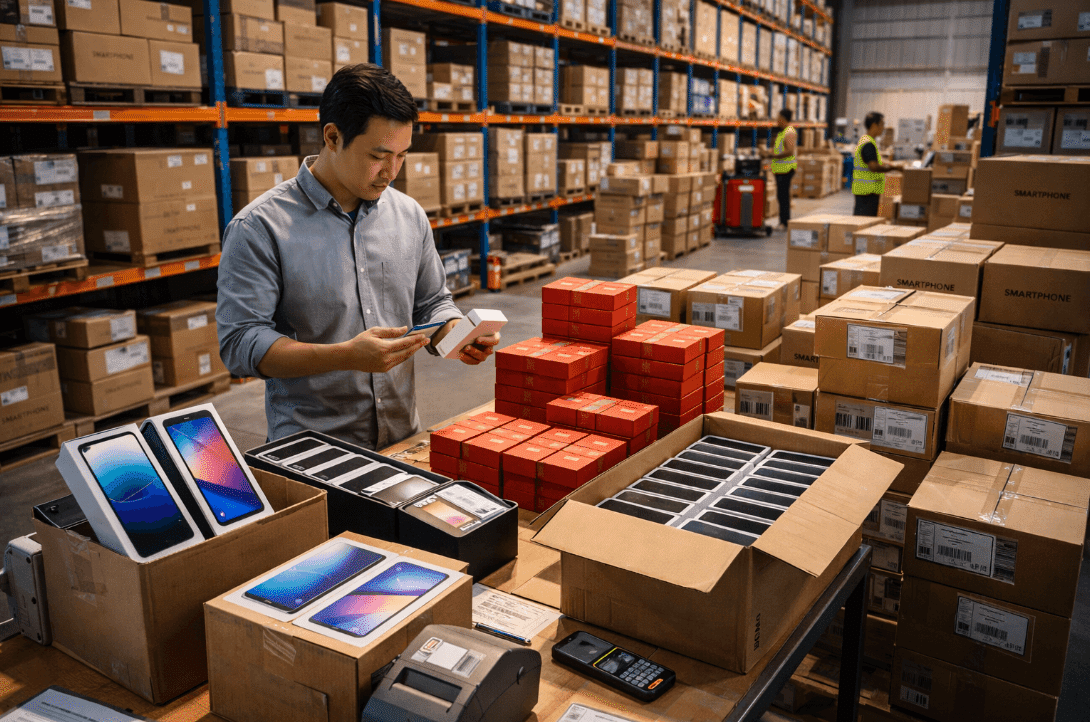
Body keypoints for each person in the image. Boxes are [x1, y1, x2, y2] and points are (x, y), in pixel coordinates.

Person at [216, 63, 500, 451]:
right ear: (332, 136)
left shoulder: (408, 215)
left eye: (401, 155)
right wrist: (344, 356)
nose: (391, 171)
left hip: (403, 438)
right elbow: (240, 342)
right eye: (379, 155)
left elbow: (432, 302)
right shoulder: (260, 227)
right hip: (312, 450)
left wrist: (454, 333)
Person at [852, 112, 901, 217]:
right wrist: (894, 168)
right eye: (882, 124)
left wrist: (887, 164)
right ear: (874, 125)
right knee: (864, 223)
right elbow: (873, 167)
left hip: (867, 192)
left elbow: (872, 162)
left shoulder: (867, 141)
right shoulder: (868, 143)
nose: (883, 128)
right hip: (867, 193)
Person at [764, 109, 797, 228]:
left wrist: (772, 155)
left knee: (783, 197)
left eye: (778, 118)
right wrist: (770, 152)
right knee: (781, 196)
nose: (777, 121)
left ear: (783, 118)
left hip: (786, 169)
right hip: (780, 169)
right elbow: (780, 149)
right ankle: (783, 221)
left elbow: (789, 151)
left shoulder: (789, 132)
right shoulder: (782, 133)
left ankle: (785, 222)